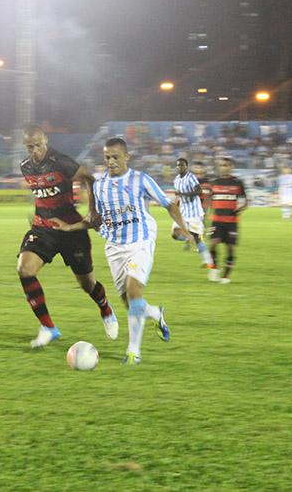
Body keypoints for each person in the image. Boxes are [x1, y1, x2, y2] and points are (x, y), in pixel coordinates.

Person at [51, 137, 194, 365]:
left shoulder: (140, 180)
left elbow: (169, 205)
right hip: (115, 247)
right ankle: (155, 313)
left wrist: (184, 230)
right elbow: (95, 220)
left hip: (141, 241)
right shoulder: (99, 185)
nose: (111, 161)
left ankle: (133, 352)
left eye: (115, 156)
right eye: (107, 157)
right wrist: (69, 227)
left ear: (126, 156)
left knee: (134, 291)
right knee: (130, 304)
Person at [17, 125, 117, 348]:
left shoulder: (60, 161)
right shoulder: (25, 167)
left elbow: (89, 179)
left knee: (87, 284)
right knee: (24, 269)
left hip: (70, 228)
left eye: (38, 145)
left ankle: (105, 308)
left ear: (46, 141)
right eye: (30, 147)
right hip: (43, 228)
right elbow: (42, 195)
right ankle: (48, 328)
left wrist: (92, 211)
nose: (35, 151)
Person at [208, 157, 248, 284]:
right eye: (222, 165)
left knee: (230, 248)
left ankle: (226, 276)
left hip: (231, 222)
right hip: (217, 220)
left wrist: (240, 210)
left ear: (231, 167)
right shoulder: (214, 182)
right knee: (213, 244)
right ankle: (214, 268)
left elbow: (245, 201)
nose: (224, 167)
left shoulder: (238, 183)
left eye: (226, 165)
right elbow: (208, 200)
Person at [171, 158, 215, 268]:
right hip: (183, 212)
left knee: (197, 238)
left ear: (186, 166)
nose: (180, 167)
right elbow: (178, 196)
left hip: (194, 212)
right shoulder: (176, 180)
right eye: (178, 165)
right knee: (175, 234)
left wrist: (183, 194)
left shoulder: (191, 177)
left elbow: (198, 191)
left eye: (182, 165)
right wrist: (176, 206)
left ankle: (209, 262)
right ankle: (189, 237)